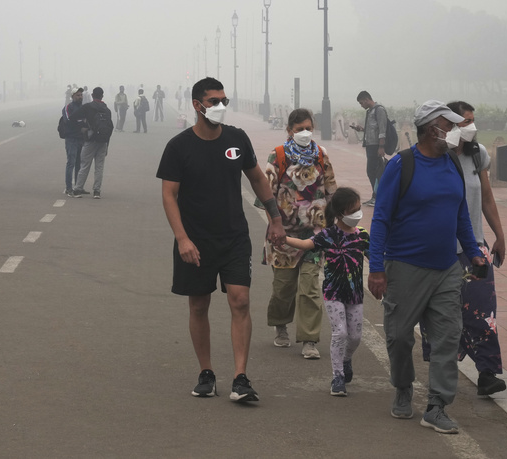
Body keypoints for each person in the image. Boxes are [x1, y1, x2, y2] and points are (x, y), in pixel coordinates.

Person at [157, 77, 286, 403]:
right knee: (199, 304)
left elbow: (257, 177)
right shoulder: (178, 147)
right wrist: (182, 239)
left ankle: (241, 378)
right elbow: (169, 195)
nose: (219, 106)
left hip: (233, 236)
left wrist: (275, 218)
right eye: (213, 101)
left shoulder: (236, 139)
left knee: (240, 301)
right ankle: (206, 373)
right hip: (195, 240)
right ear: (197, 105)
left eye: (223, 100)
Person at [367, 99, 488, 434]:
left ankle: (437, 405)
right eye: (447, 125)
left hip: (447, 268)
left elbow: (460, 213)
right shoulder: (402, 165)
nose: (453, 131)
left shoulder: (453, 164)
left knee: (448, 336)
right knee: (400, 336)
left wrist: (474, 250)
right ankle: (403, 386)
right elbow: (380, 219)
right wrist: (376, 268)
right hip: (404, 267)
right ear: (429, 129)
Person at [419, 101, 507, 397]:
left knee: (483, 310)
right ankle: (441, 372)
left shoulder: (477, 154)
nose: (470, 126)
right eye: (463, 122)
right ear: (446, 126)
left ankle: (487, 373)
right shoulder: (435, 157)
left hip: (474, 247)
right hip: (440, 249)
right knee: (440, 314)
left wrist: (499, 234)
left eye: (472, 120)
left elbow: (486, 198)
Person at [263, 108, 338, 360]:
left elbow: (330, 190)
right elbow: (267, 195)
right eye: (299, 130)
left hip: (314, 235)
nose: (305, 133)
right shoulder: (279, 155)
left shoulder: (321, 155)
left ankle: (309, 339)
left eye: (308, 128)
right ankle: (281, 324)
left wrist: (335, 226)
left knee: (310, 289)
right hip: (283, 235)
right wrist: (275, 225)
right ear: (289, 130)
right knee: (283, 288)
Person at [282, 187, 368, 396]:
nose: (358, 213)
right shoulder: (328, 235)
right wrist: (282, 238)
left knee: (355, 336)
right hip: (333, 292)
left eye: (358, 208)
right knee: (340, 333)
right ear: (339, 214)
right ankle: (337, 376)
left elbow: (376, 262)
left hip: (355, 293)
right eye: (353, 210)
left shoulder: (363, 235)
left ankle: (346, 360)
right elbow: (304, 244)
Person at [73, 87, 113, 199]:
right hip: (103, 141)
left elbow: (73, 117)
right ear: (102, 96)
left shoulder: (87, 107)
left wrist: (83, 127)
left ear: (92, 95)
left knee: (85, 165)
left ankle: (78, 189)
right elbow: (110, 127)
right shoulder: (107, 110)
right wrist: (107, 145)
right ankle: (97, 191)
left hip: (90, 140)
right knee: (99, 167)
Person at [350, 91, 389, 206]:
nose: (361, 105)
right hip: (370, 145)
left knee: (375, 171)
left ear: (367, 99)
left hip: (376, 146)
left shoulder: (379, 110)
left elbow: (382, 130)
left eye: (362, 103)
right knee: (373, 171)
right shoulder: (371, 111)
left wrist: (381, 146)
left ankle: (377, 196)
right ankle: (375, 195)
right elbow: (373, 128)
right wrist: (361, 129)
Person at [61, 87, 86, 197]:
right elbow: (68, 120)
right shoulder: (68, 107)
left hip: (81, 138)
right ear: (72, 96)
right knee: (71, 163)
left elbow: (87, 121)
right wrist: (80, 122)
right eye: (77, 95)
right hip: (71, 138)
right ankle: (68, 188)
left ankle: (77, 187)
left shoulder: (83, 108)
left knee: (79, 164)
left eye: (81, 95)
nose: (80, 97)